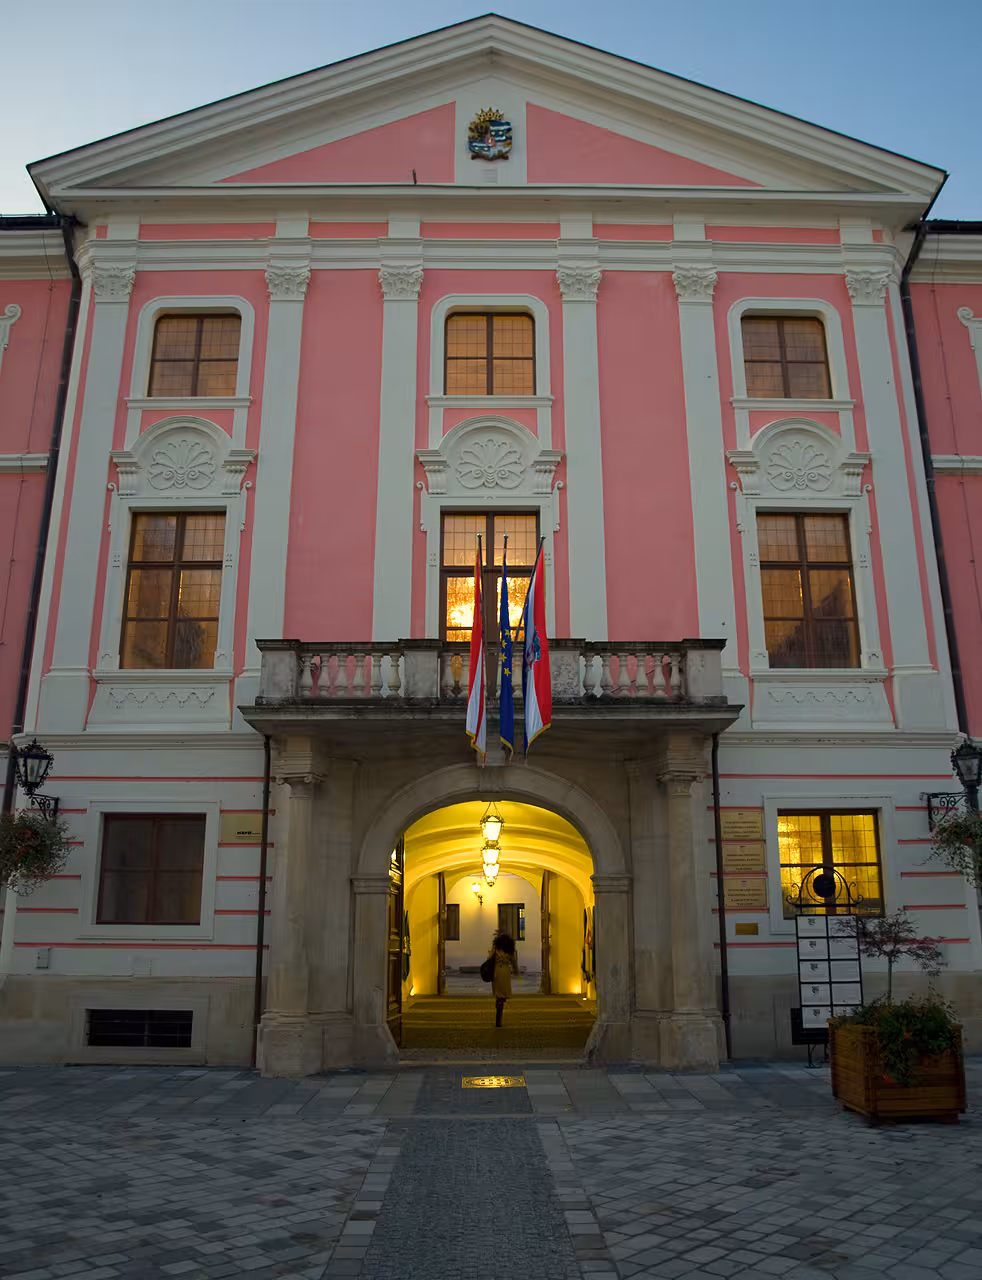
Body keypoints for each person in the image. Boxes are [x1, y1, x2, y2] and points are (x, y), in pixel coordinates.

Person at [490, 932, 515, 1027]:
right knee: (502, 995)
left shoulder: (496, 949)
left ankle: (498, 1017)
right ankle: (499, 1015)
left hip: (496, 973)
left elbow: (489, 957)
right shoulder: (509, 950)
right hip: (505, 973)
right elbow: (513, 961)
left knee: (498, 995)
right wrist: (517, 973)